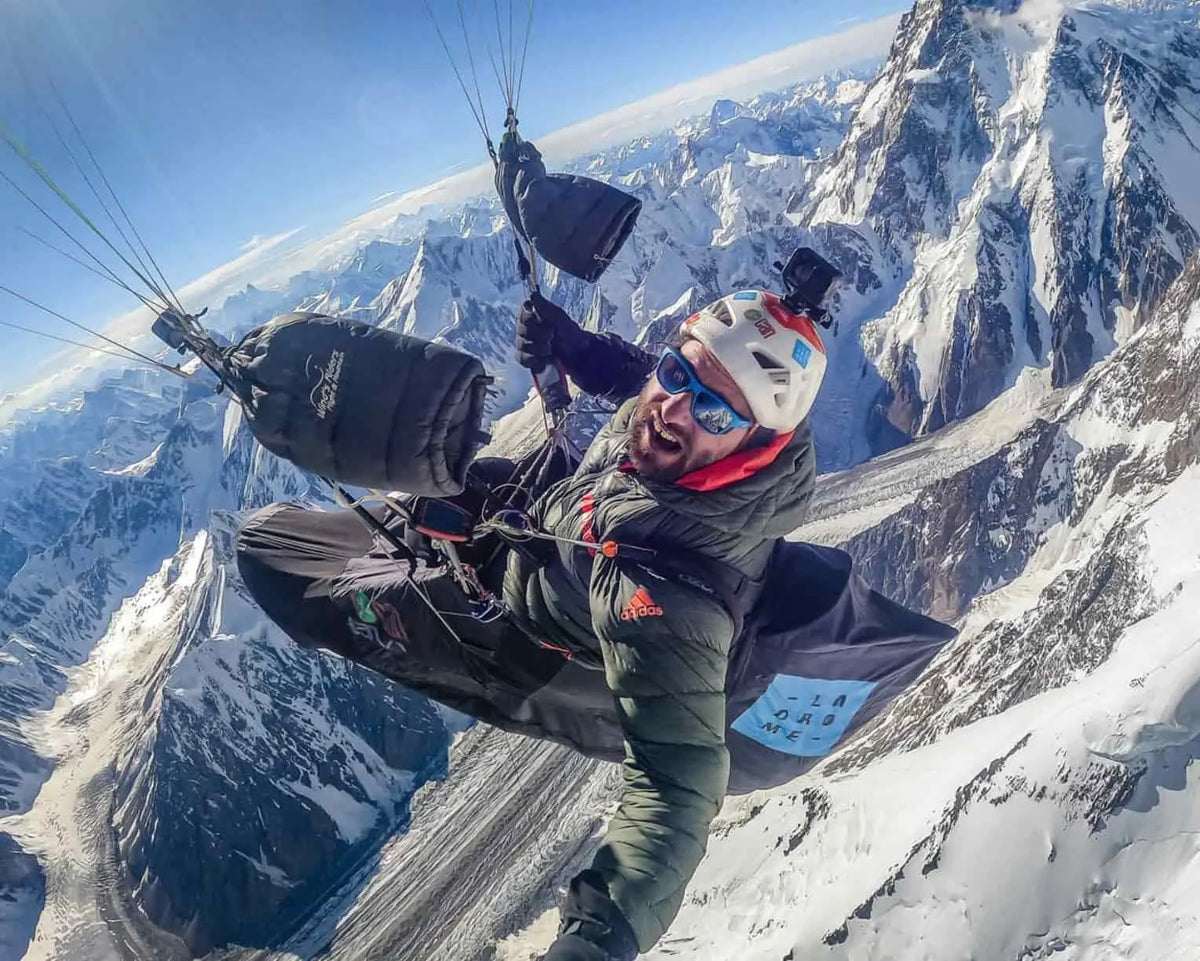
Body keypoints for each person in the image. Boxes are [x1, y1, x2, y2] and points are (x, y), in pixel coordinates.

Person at [237, 285, 827, 960]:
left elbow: (677, 786)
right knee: (455, 476)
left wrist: (598, 937)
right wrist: (582, 351)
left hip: (519, 643)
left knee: (279, 566)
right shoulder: (694, 448)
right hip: (552, 526)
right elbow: (645, 383)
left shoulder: (672, 597)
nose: (672, 408)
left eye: (714, 410)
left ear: (753, 447)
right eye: (678, 372)